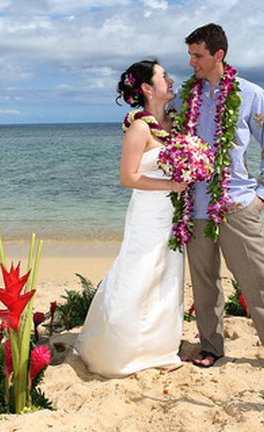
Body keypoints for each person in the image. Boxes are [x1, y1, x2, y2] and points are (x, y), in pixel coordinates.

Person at [172, 23, 264, 367]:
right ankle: (211, 346)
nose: (192, 62)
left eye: (198, 55)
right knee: (204, 283)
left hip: (237, 204)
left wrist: (261, 197)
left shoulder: (250, 94)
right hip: (196, 206)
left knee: (258, 280)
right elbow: (162, 123)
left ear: (218, 54)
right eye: (190, 55)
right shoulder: (186, 97)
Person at [75, 60, 187, 378]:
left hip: (173, 213)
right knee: (139, 272)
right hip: (148, 213)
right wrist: (171, 185)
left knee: (168, 274)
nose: (170, 79)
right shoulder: (140, 127)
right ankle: (121, 349)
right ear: (148, 88)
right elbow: (129, 176)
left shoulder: (175, 122)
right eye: (163, 76)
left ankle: (160, 347)